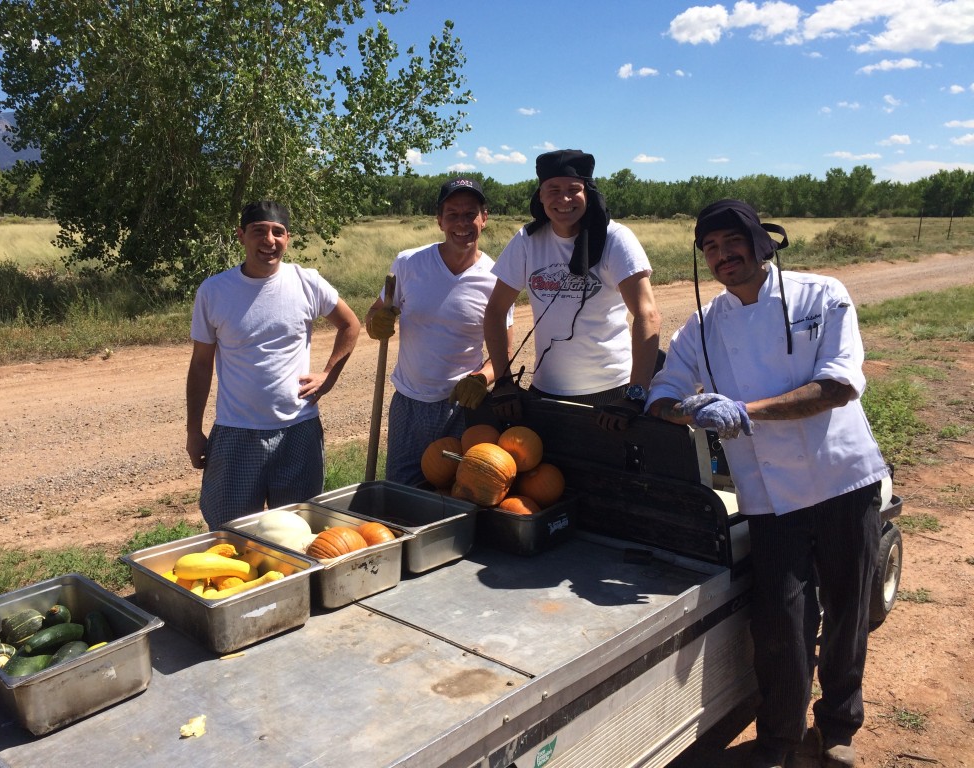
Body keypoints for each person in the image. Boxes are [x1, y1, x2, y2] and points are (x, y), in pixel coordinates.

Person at [646, 199, 890, 768]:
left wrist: (744, 411)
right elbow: (662, 392)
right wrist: (690, 410)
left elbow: (839, 385)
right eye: (710, 248)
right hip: (768, 493)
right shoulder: (705, 325)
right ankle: (779, 736)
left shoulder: (822, 295)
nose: (722, 255)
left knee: (848, 606)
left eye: (732, 241)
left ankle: (836, 728)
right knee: (780, 617)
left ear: (761, 241)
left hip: (841, 476)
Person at [186, 200, 361, 530]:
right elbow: (200, 365)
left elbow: (350, 324)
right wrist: (193, 430)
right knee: (229, 533)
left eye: (278, 232)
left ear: (288, 238)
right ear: (241, 236)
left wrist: (329, 375)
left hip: (298, 430)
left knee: (298, 532)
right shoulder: (214, 291)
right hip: (236, 432)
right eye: (259, 231)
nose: (269, 240)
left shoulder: (306, 282)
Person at [482, 149, 661, 430]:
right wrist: (503, 380)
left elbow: (647, 314)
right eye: (553, 189)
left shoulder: (616, 239)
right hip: (546, 391)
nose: (563, 199)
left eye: (573, 189)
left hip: (612, 394)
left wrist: (635, 395)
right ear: (540, 195)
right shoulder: (528, 241)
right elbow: (495, 310)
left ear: (588, 193)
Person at [365, 178, 512, 485]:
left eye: (470, 213)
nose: (462, 223)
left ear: (484, 218)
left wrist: (483, 378)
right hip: (410, 403)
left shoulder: (495, 278)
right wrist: (376, 322)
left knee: (459, 494)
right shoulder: (410, 263)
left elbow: (503, 352)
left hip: (464, 407)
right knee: (401, 493)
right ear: (439, 220)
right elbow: (376, 313)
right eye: (452, 214)